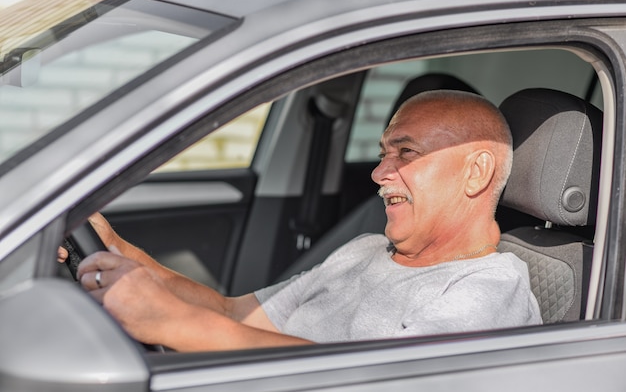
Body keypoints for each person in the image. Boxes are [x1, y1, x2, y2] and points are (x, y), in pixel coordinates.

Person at [70, 90, 542, 351]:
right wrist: (115, 248)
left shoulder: (486, 294)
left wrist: (173, 324)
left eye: (406, 153)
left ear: (476, 172)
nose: (380, 173)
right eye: (383, 155)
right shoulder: (362, 251)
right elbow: (235, 314)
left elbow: (368, 385)